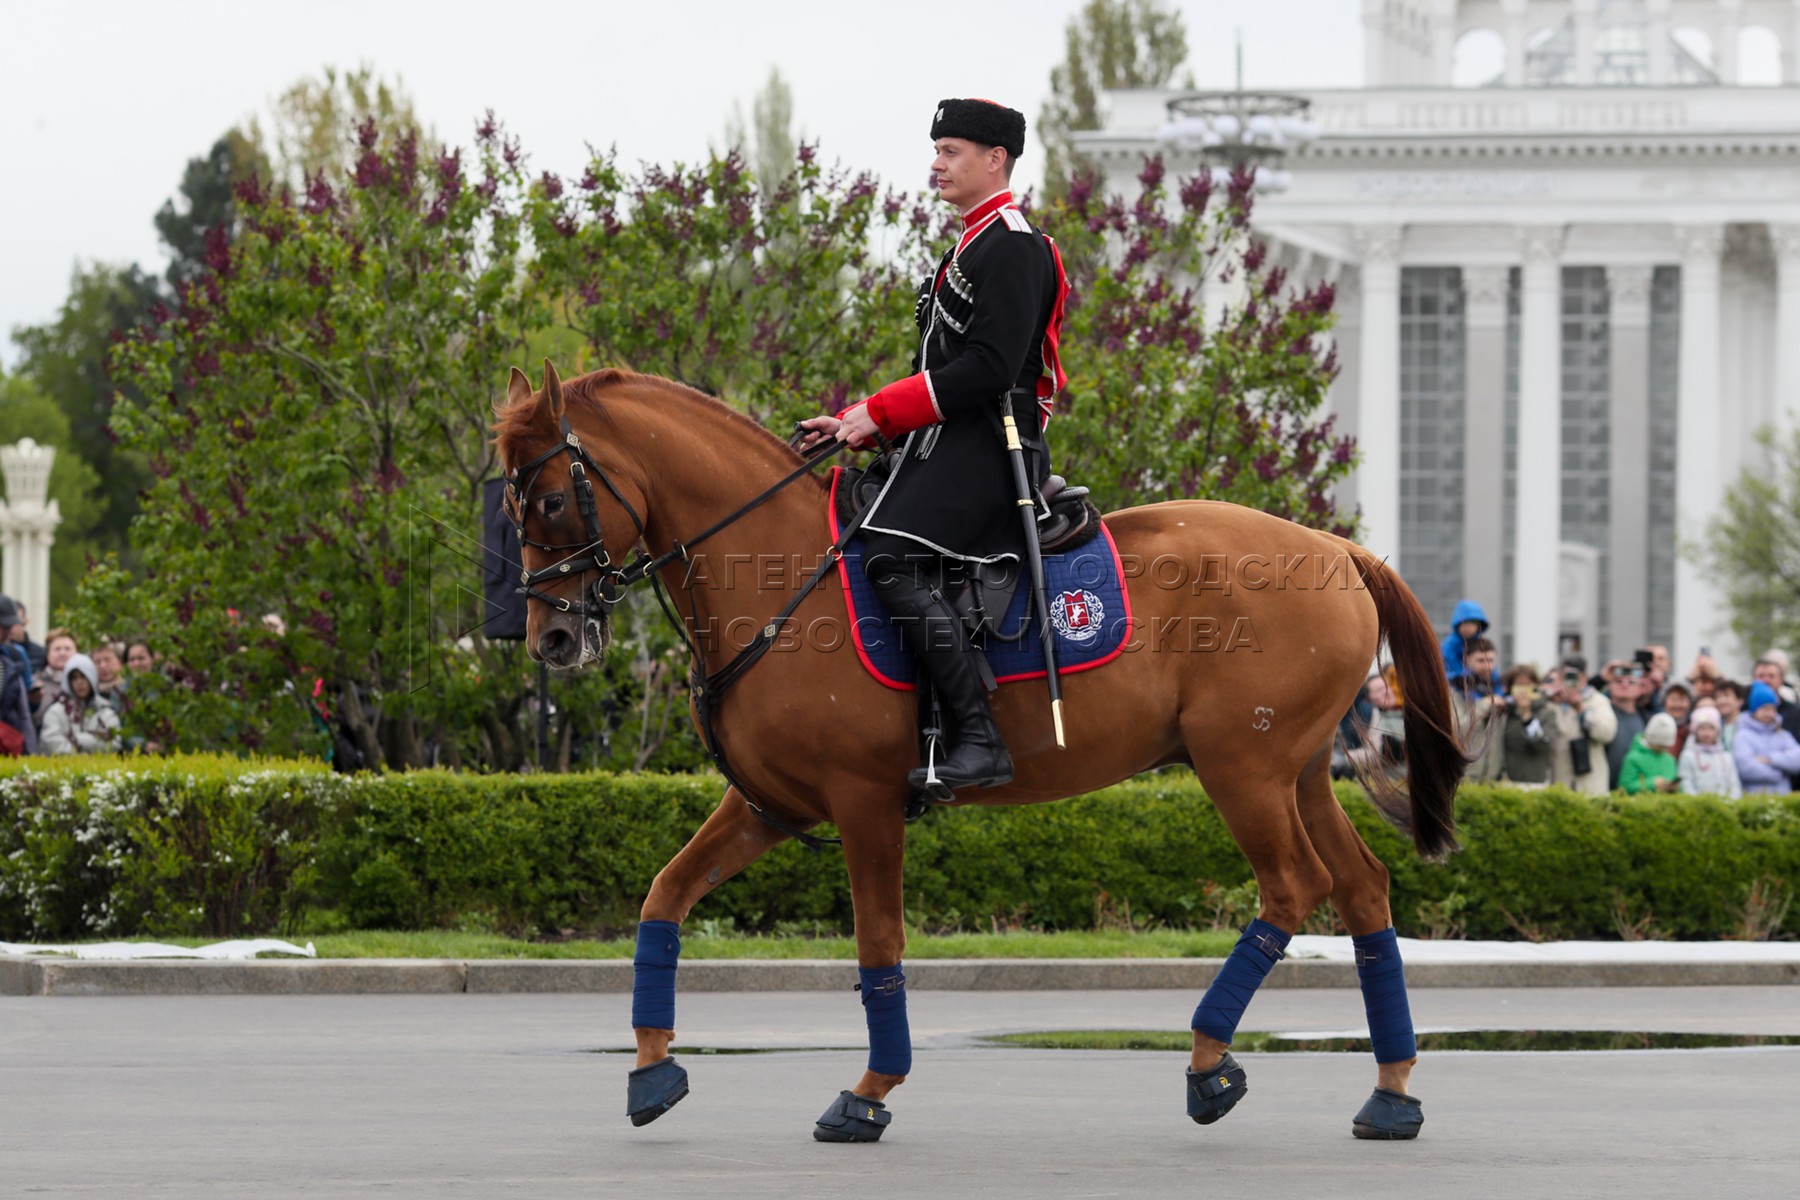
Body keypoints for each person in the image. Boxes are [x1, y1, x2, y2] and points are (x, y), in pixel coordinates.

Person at [797, 97, 1069, 797]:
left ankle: (978, 740)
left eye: (951, 152)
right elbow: (937, 372)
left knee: (891, 557)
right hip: (948, 442)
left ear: (995, 159)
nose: (937, 164)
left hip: (994, 448)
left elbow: (989, 370)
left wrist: (882, 411)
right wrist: (858, 420)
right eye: (937, 151)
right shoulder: (968, 246)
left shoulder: (1014, 245)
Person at [1545, 657, 1616, 795]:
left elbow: (1607, 734)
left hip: (1591, 787)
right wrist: (1548, 697)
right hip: (1559, 785)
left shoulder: (1598, 701)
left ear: (1584, 678)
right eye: (1565, 676)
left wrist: (1581, 710)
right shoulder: (1552, 703)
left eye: (1574, 676)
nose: (1570, 682)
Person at [39, 653, 119, 755]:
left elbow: (114, 744)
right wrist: (92, 742)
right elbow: (52, 744)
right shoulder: (55, 712)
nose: (79, 682)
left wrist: (77, 739)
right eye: (74, 678)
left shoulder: (106, 711)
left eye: (83, 676)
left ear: (92, 678)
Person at [1452, 637, 1505, 782]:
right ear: (1466, 660)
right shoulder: (1454, 690)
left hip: (1492, 778)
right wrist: (1485, 704)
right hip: (1464, 777)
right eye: (1481, 660)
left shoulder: (1497, 688)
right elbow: (1458, 728)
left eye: (1491, 660)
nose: (1488, 666)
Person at [1733, 682, 1800, 795]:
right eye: (1764, 708)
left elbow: (1797, 760)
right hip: (1754, 798)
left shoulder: (1782, 734)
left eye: (1772, 709)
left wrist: (1771, 759)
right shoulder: (1743, 736)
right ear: (1754, 709)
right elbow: (1746, 768)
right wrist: (1781, 773)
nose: (1769, 713)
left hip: (1783, 797)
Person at [1497, 665, 1555, 786]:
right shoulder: (1504, 712)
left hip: (1533, 782)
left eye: (1527, 685)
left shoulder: (1546, 712)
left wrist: (1527, 715)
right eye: (1519, 685)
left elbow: (1542, 746)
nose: (1523, 691)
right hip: (1505, 780)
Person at [1603, 661, 1648, 790]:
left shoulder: (1646, 719)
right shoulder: (1602, 714)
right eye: (1618, 681)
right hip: (1604, 788)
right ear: (1610, 687)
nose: (1624, 685)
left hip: (1634, 790)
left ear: (1640, 688)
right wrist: (1601, 678)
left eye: (1631, 682)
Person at [1678, 706, 1741, 798]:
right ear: (1695, 731)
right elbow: (1686, 784)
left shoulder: (1726, 757)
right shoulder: (1687, 755)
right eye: (1702, 728)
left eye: (1711, 728)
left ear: (1717, 731)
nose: (1706, 733)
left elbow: (1734, 786)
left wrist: (1729, 802)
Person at [1440, 599, 1497, 687]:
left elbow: (1491, 669)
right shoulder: (1450, 644)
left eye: (1472, 624)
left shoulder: (1480, 643)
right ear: (1458, 625)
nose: (1468, 628)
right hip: (1456, 681)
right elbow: (1447, 666)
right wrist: (1463, 676)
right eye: (1465, 624)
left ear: (1479, 625)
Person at [1619, 712, 1680, 794]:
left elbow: (1680, 792)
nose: (1663, 748)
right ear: (1651, 739)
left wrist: (1675, 787)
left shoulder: (1670, 760)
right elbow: (1625, 787)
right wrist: (1652, 784)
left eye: (1666, 746)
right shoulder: (1633, 758)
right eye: (1660, 745)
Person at [31, 629, 79, 729]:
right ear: (47, 654)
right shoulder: (35, 682)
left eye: (67, 649)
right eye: (57, 649)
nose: (62, 653)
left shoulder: (87, 683)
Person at [1660, 682, 1694, 756]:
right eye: (1673, 700)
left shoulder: (1693, 729)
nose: (1677, 705)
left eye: (1682, 699)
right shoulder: (1657, 725)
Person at [1712, 680, 1745, 752]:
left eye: (1726, 695)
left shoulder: (1749, 725)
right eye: (1717, 697)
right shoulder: (1714, 724)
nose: (1721, 701)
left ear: (1740, 701)